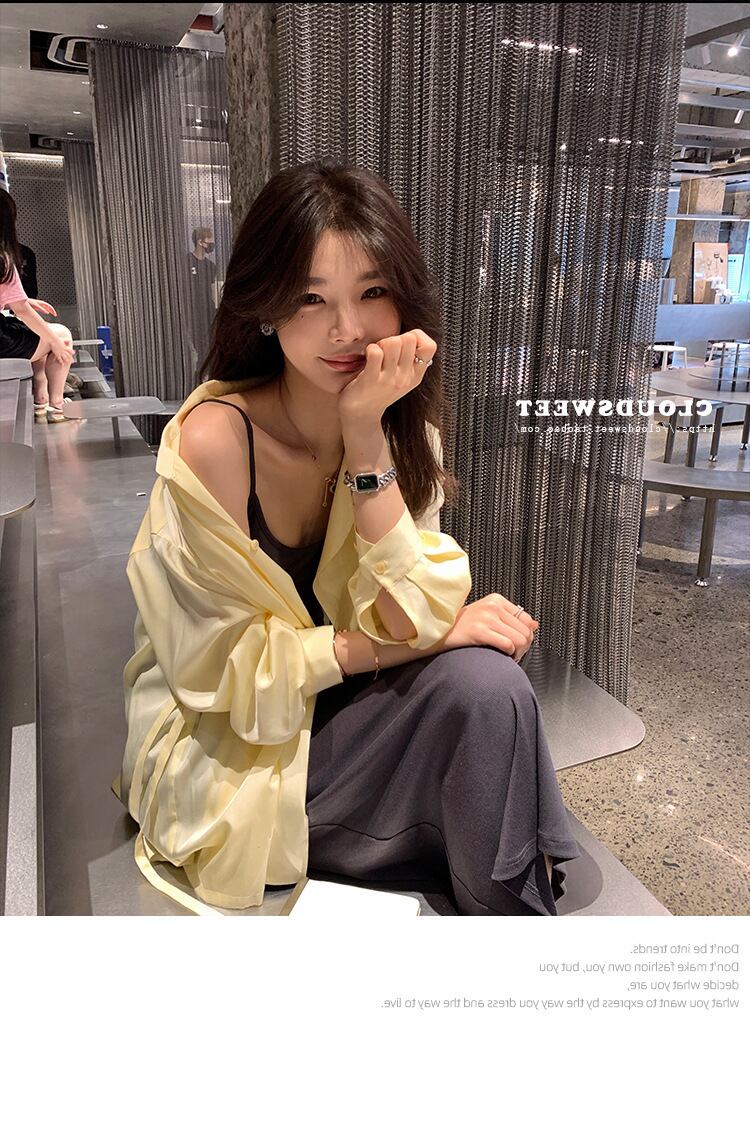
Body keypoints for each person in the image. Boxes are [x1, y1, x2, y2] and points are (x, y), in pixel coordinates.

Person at [114, 160, 580, 916]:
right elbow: (232, 675)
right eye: (311, 297)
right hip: (227, 747)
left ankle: (504, 912)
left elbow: (406, 612)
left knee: (486, 687)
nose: (347, 330)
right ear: (266, 307)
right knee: (480, 710)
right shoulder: (215, 442)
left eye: (371, 292)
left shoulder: (395, 427)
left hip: (332, 714)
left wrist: (365, 440)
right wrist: (430, 638)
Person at [0, 188, 73, 422]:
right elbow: (22, 311)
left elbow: (18, 303)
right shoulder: (3, 258)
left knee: (38, 333)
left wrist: (25, 300)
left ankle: (41, 398)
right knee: (61, 335)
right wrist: (56, 343)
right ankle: (56, 406)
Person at [187, 225, 217, 375]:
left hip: (208, 311)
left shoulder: (211, 266)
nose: (212, 243)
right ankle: (199, 375)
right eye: (209, 239)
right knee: (199, 346)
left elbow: (211, 290)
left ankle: (207, 374)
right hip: (193, 312)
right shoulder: (186, 262)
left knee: (210, 345)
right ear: (200, 242)